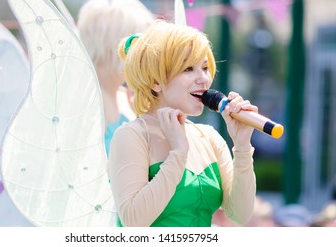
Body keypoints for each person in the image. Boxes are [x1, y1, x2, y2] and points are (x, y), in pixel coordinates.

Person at [108, 20, 257, 227]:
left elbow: (240, 214)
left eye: (205, 67)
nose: (203, 79)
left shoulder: (209, 137)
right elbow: (134, 221)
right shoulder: (132, 136)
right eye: (188, 69)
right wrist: (178, 153)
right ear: (155, 81)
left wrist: (242, 148)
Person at [77, 0, 155, 154]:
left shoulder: (125, 96)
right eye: (137, 45)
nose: (145, 54)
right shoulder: (81, 103)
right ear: (113, 46)